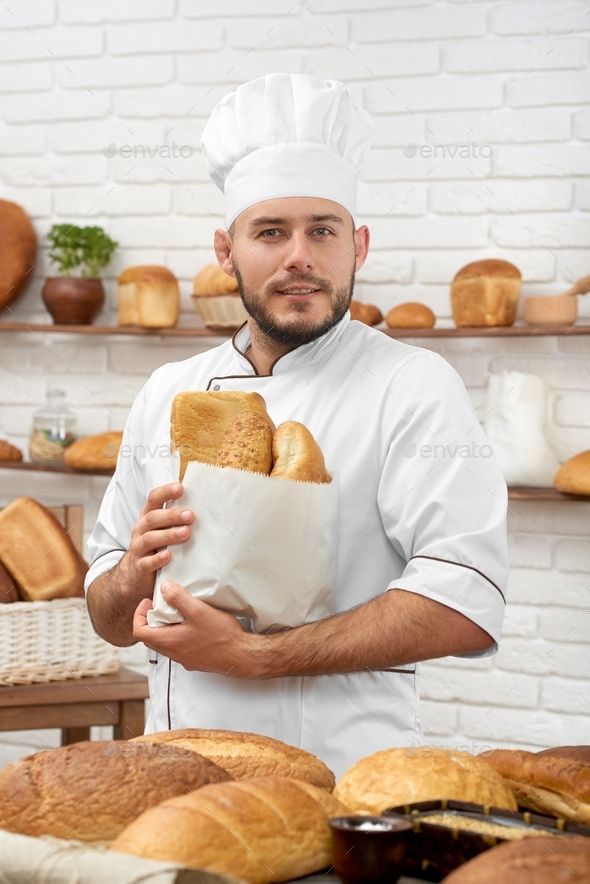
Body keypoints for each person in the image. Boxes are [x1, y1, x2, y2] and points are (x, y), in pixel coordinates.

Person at [85, 73, 508, 777]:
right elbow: (105, 617)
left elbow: (463, 604)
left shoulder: (410, 385)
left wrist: (255, 657)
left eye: (323, 231)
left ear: (359, 246)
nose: (299, 257)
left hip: (339, 780)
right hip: (178, 770)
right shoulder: (168, 392)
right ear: (226, 253)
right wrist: (132, 570)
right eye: (271, 232)